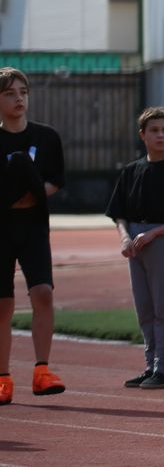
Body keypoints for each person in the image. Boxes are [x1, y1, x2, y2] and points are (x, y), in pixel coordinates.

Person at [105, 107, 164, 391]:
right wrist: (124, 237)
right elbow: (118, 211)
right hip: (135, 239)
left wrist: (154, 233)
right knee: (144, 308)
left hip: (162, 238)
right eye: (154, 130)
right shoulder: (132, 170)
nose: (160, 135)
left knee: (163, 306)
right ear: (142, 135)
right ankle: (150, 365)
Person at [0, 67, 68, 405]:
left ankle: (42, 371)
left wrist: (36, 193)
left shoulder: (46, 137)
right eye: (10, 93)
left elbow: (57, 178)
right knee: (3, 303)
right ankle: (2, 377)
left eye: (23, 92)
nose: (19, 99)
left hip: (34, 226)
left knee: (43, 292)